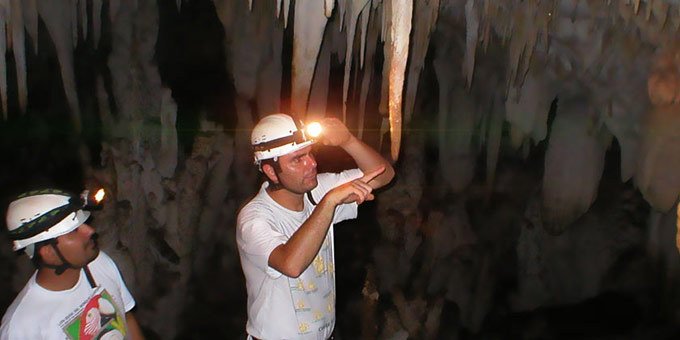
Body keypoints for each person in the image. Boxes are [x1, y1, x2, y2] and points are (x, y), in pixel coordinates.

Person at [237, 113, 395, 339]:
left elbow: (383, 175)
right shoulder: (254, 218)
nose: (312, 164)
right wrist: (330, 201)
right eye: (297, 159)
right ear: (271, 171)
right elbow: (291, 264)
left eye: (309, 154)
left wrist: (347, 141)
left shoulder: (314, 191)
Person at [0, 188, 145, 340]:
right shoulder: (20, 328)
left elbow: (126, 318)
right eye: (74, 231)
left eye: (83, 222)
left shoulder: (99, 263)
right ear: (49, 253)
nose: (90, 231)